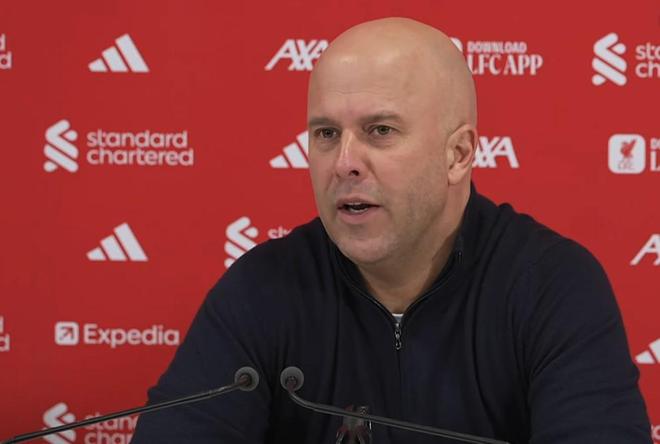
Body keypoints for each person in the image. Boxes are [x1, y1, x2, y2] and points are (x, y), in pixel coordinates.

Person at [132, 18, 651, 443]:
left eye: (380, 131)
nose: (344, 162)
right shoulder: (262, 287)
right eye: (326, 134)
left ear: (458, 154)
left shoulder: (551, 286)